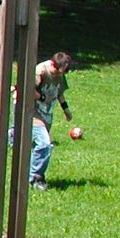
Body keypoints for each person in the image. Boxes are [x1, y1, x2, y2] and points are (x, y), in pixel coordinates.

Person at [25, 51, 76, 190]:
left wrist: (66, 110)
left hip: (47, 115)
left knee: (36, 146)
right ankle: (35, 178)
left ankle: (30, 173)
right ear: (53, 64)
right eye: (60, 72)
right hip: (34, 113)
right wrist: (42, 98)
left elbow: (59, 93)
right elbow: (27, 89)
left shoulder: (60, 74)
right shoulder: (41, 71)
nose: (61, 75)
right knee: (44, 144)